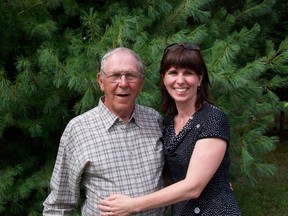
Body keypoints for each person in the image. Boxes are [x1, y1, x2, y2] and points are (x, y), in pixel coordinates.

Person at [98, 43, 241, 215]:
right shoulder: (166, 123)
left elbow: (193, 187)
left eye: (188, 73)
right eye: (173, 73)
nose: (180, 80)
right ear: (164, 79)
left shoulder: (212, 119)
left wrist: (133, 205)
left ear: (200, 78)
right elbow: (165, 173)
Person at [43, 47, 166, 215]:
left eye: (131, 76)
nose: (123, 83)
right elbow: (58, 205)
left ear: (141, 83)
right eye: (115, 76)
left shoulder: (155, 120)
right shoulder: (79, 129)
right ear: (101, 81)